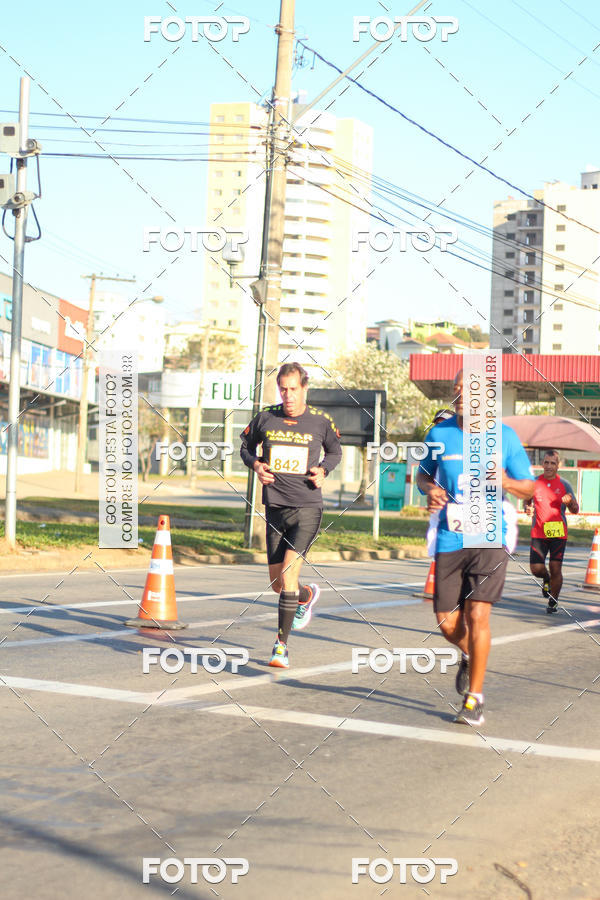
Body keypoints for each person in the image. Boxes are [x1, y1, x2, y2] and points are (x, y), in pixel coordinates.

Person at [417, 370, 535, 726]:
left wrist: (506, 481)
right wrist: (430, 489)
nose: (459, 396)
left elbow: (529, 488)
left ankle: (475, 698)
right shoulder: (439, 433)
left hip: (489, 534)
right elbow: (423, 474)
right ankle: (470, 655)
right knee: (446, 620)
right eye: (456, 390)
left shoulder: (505, 436)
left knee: (478, 615)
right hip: (452, 535)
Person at [240, 363, 342, 668]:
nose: (288, 395)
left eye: (293, 389)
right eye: (283, 389)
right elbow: (245, 446)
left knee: (286, 576)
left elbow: (335, 451)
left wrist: (324, 470)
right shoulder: (266, 417)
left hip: (308, 507)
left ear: (304, 389)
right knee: (277, 584)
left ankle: (280, 647)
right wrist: (257, 465)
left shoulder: (320, 422)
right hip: (275, 507)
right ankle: (306, 595)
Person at [524, 450, 579, 614]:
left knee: (556, 568)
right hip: (538, 533)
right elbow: (527, 501)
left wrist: (569, 503)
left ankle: (553, 600)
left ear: (558, 466)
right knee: (536, 569)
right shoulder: (534, 483)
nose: (548, 466)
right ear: (542, 464)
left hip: (558, 533)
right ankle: (546, 578)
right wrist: (527, 508)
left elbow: (575, 509)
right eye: (546, 462)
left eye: (552, 463)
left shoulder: (564, 485)